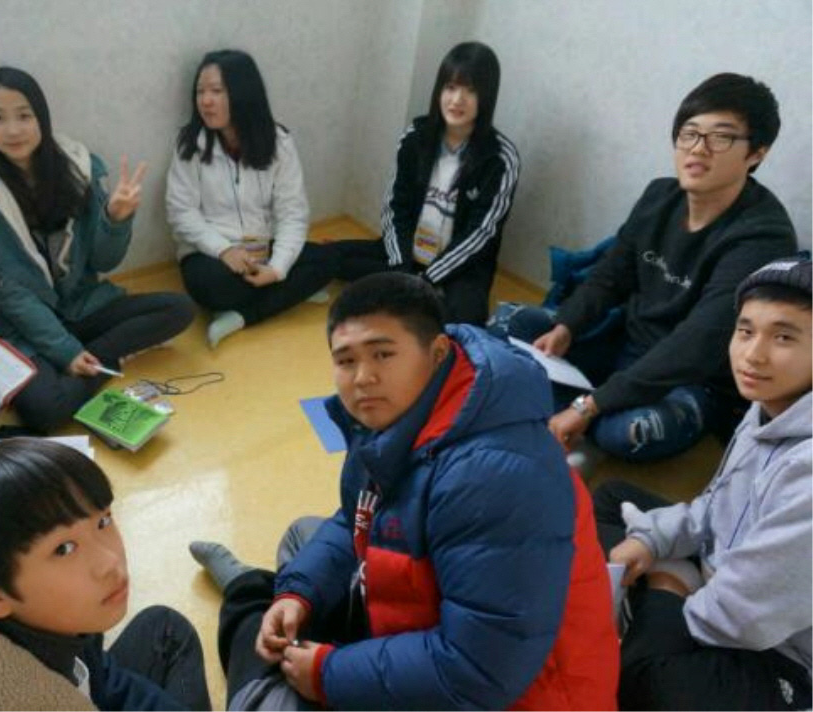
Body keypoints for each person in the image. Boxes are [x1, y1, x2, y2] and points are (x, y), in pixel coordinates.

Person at [191, 272, 618, 709]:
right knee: (304, 542)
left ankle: (247, 594)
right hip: (436, 633)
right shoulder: (408, 410)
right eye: (346, 360)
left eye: (382, 354)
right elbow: (359, 513)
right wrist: (297, 593)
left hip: (510, 696)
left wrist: (325, 673)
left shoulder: (492, 477)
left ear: (437, 353)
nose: (363, 378)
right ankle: (267, 596)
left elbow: (479, 672)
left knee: (264, 694)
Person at [499, 73, 798, 462]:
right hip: (623, 344)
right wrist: (567, 325)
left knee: (632, 433)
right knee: (508, 323)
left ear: (756, 153)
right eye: (689, 133)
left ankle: (573, 406)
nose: (699, 148)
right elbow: (610, 275)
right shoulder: (659, 196)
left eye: (721, 137)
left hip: (690, 379)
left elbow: (697, 345)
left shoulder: (763, 236)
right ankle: (577, 407)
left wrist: (590, 406)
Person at [595, 257, 811, 711]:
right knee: (611, 498)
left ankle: (656, 595)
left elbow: (743, 617)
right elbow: (715, 504)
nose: (753, 354)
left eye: (784, 337)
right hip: (724, 579)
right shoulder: (769, 405)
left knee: (641, 676)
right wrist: (653, 541)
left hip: (777, 653)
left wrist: (668, 586)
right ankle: (656, 594)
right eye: (746, 331)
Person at [0, 438, 212, 711]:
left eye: (103, 521)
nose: (110, 562)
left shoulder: (40, 618)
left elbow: (101, 677)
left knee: (165, 627)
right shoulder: (4, 697)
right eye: (64, 548)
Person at [0, 66, 195, 432]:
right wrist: (66, 352)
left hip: (78, 306)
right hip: (15, 324)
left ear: (42, 117)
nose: (13, 130)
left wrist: (116, 218)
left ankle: (95, 357)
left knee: (178, 308)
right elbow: (12, 297)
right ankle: (100, 357)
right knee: (46, 412)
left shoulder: (78, 168)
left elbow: (104, 261)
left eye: (24, 116)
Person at [329, 41, 519, 326]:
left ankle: (414, 295)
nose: (457, 100)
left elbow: (480, 235)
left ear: (487, 96)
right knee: (326, 257)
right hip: (408, 255)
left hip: (461, 269)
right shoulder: (415, 137)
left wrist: (426, 279)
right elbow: (395, 208)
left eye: (470, 91)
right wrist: (403, 269)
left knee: (466, 322)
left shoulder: (501, 158)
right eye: (450, 87)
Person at [166, 49, 335, 349]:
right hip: (211, 256)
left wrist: (277, 268)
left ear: (243, 93)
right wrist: (224, 250)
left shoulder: (279, 142)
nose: (205, 101)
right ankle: (287, 294)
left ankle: (242, 315)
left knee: (329, 261)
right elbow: (181, 213)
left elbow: (292, 213)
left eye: (216, 91)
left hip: (263, 248)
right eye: (200, 92)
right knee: (211, 287)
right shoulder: (190, 144)